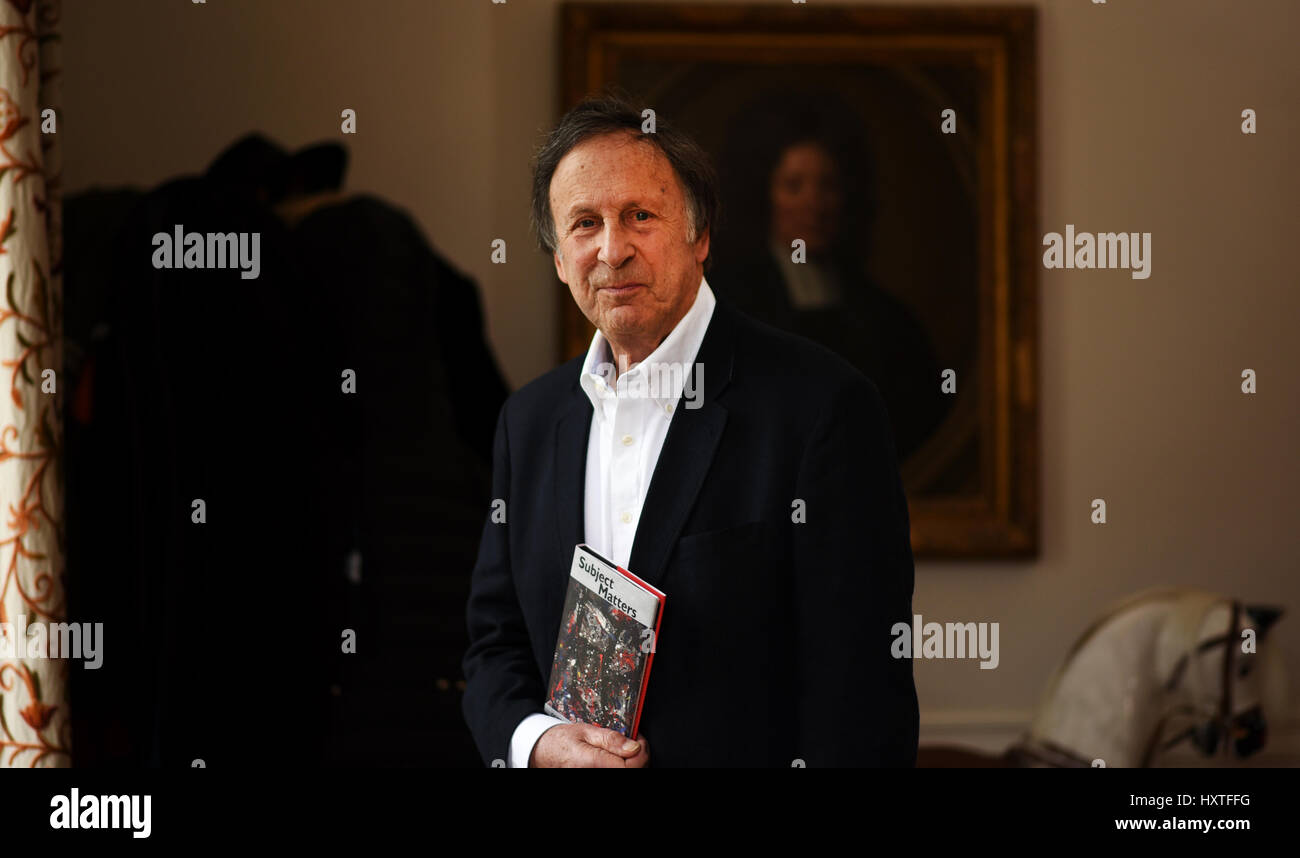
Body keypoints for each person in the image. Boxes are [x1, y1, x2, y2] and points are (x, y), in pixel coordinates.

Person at [461, 94, 918, 767]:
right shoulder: (527, 423)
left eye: (640, 216)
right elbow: (493, 645)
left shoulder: (822, 408)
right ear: (559, 258)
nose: (612, 251)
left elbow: (860, 700)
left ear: (700, 236)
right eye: (585, 224)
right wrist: (538, 743)